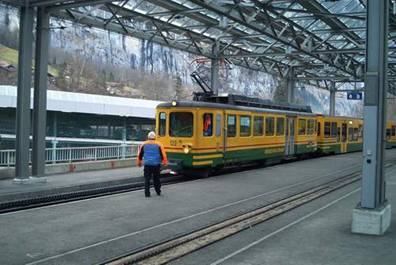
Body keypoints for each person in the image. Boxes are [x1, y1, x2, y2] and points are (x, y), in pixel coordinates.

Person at [137, 131, 168, 197]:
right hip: (156, 165)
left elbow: (140, 155)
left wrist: (139, 163)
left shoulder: (143, 144)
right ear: (155, 137)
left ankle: (147, 194)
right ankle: (158, 191)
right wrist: (165, 162)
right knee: (156, 179)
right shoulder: (159, 144)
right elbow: (163, 155)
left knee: (147, 179)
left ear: (148, 137)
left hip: (147, 165)